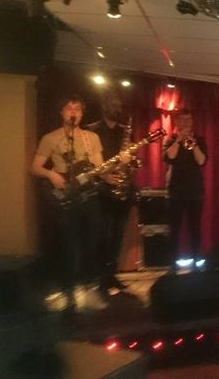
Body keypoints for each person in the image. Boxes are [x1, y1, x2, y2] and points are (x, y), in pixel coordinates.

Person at [29, 94, 108, 313]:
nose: (73, 112)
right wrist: (51, 175)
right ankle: (69, 292)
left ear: (82, 114)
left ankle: (90, 288)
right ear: (61, 112)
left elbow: (99, 166)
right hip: (64, 193)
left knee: (91, 241)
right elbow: (34, 167)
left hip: (88, 194)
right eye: (69, 108)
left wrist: (109, 170)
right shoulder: (50, 137)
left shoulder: (91, 137)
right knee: (68, 244)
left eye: (77, 109)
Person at [86, 90, 132, 295]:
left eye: (119, 105)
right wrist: (105, 176)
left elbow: (131, 158)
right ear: (104, 105)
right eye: (113, 104)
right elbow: (87, 162)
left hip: (121, 187)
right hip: (101, 189)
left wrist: (129, 161)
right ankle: (99, 278)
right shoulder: (92, 130)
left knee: (117, 235)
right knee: (101, 234)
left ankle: (112, 274)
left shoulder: (125, 130)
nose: (117, 108)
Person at [163, 111, 207, 271]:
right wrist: (179, 140)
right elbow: (169, 157)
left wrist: (193, 144)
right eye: (183, 119)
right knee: (174, 230)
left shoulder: (199, 140)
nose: (187, 122)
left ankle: (196, 264)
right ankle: (172, 266)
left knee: (195, 230)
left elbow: (202, 161)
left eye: (189, 119)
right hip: (175, 192)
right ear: (176, 121)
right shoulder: (170, 140)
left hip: (195, 192)